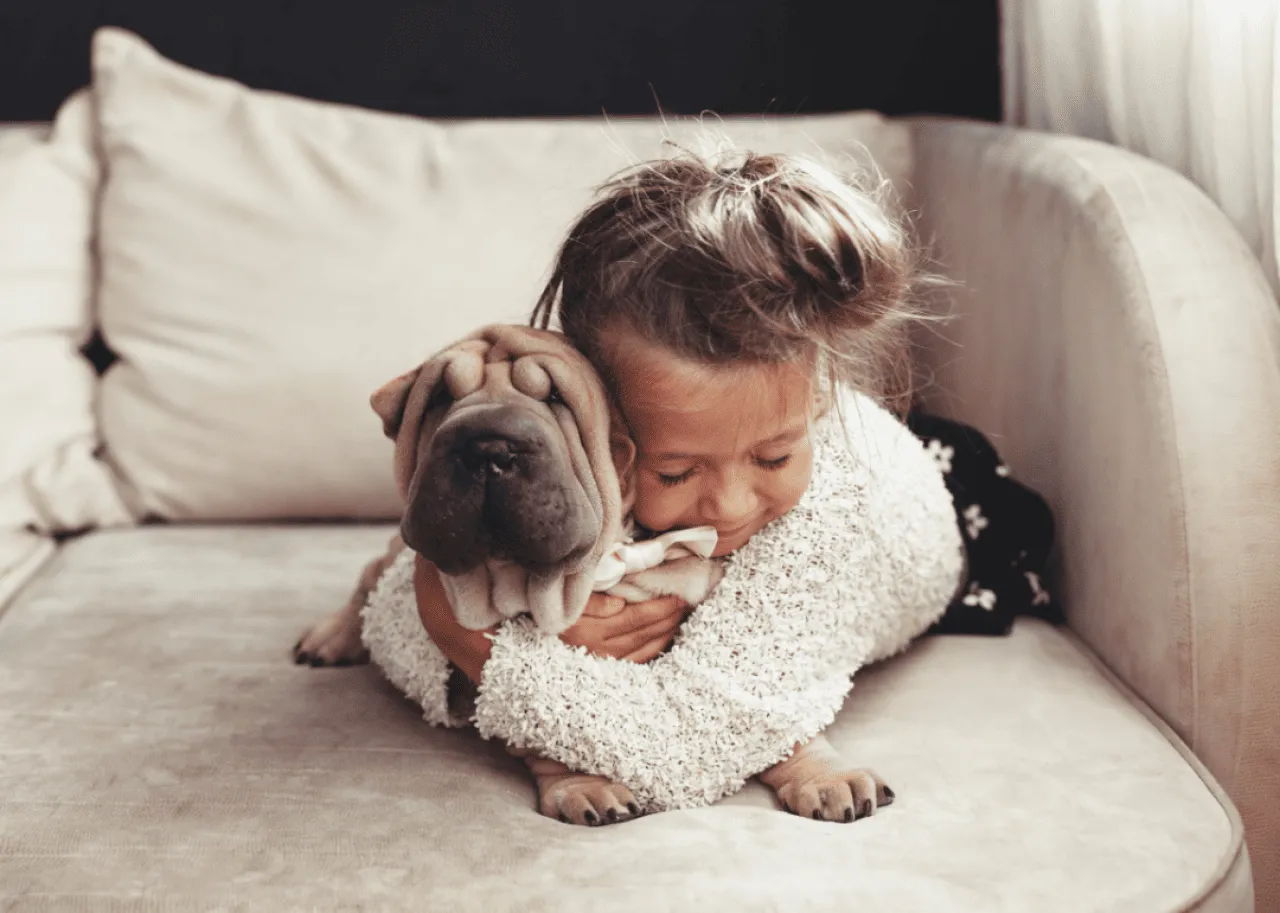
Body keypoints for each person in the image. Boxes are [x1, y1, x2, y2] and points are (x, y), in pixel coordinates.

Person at [413, 146, 964, 816]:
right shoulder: (584, 455)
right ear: (598, 423)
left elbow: (695, 741)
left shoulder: (825, 513)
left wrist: (466, 635)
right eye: (674, 470)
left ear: (817, 401)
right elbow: (411, 588)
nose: (729, 505)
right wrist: (434, 580)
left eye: (771, 458)